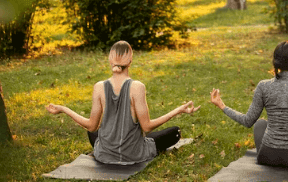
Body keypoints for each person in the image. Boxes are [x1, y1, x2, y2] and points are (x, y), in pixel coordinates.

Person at [46, 40, 200, 164]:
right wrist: (178, 110)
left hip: (104, 155)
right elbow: (146, 126)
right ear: (130, 60)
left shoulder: (99, 87)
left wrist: (63, 109)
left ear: (110, 61)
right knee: (175, 132)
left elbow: (91, 126)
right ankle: (131, 145)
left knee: (92, 129)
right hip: (134, 154)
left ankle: (106, 149)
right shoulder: (137, 87)